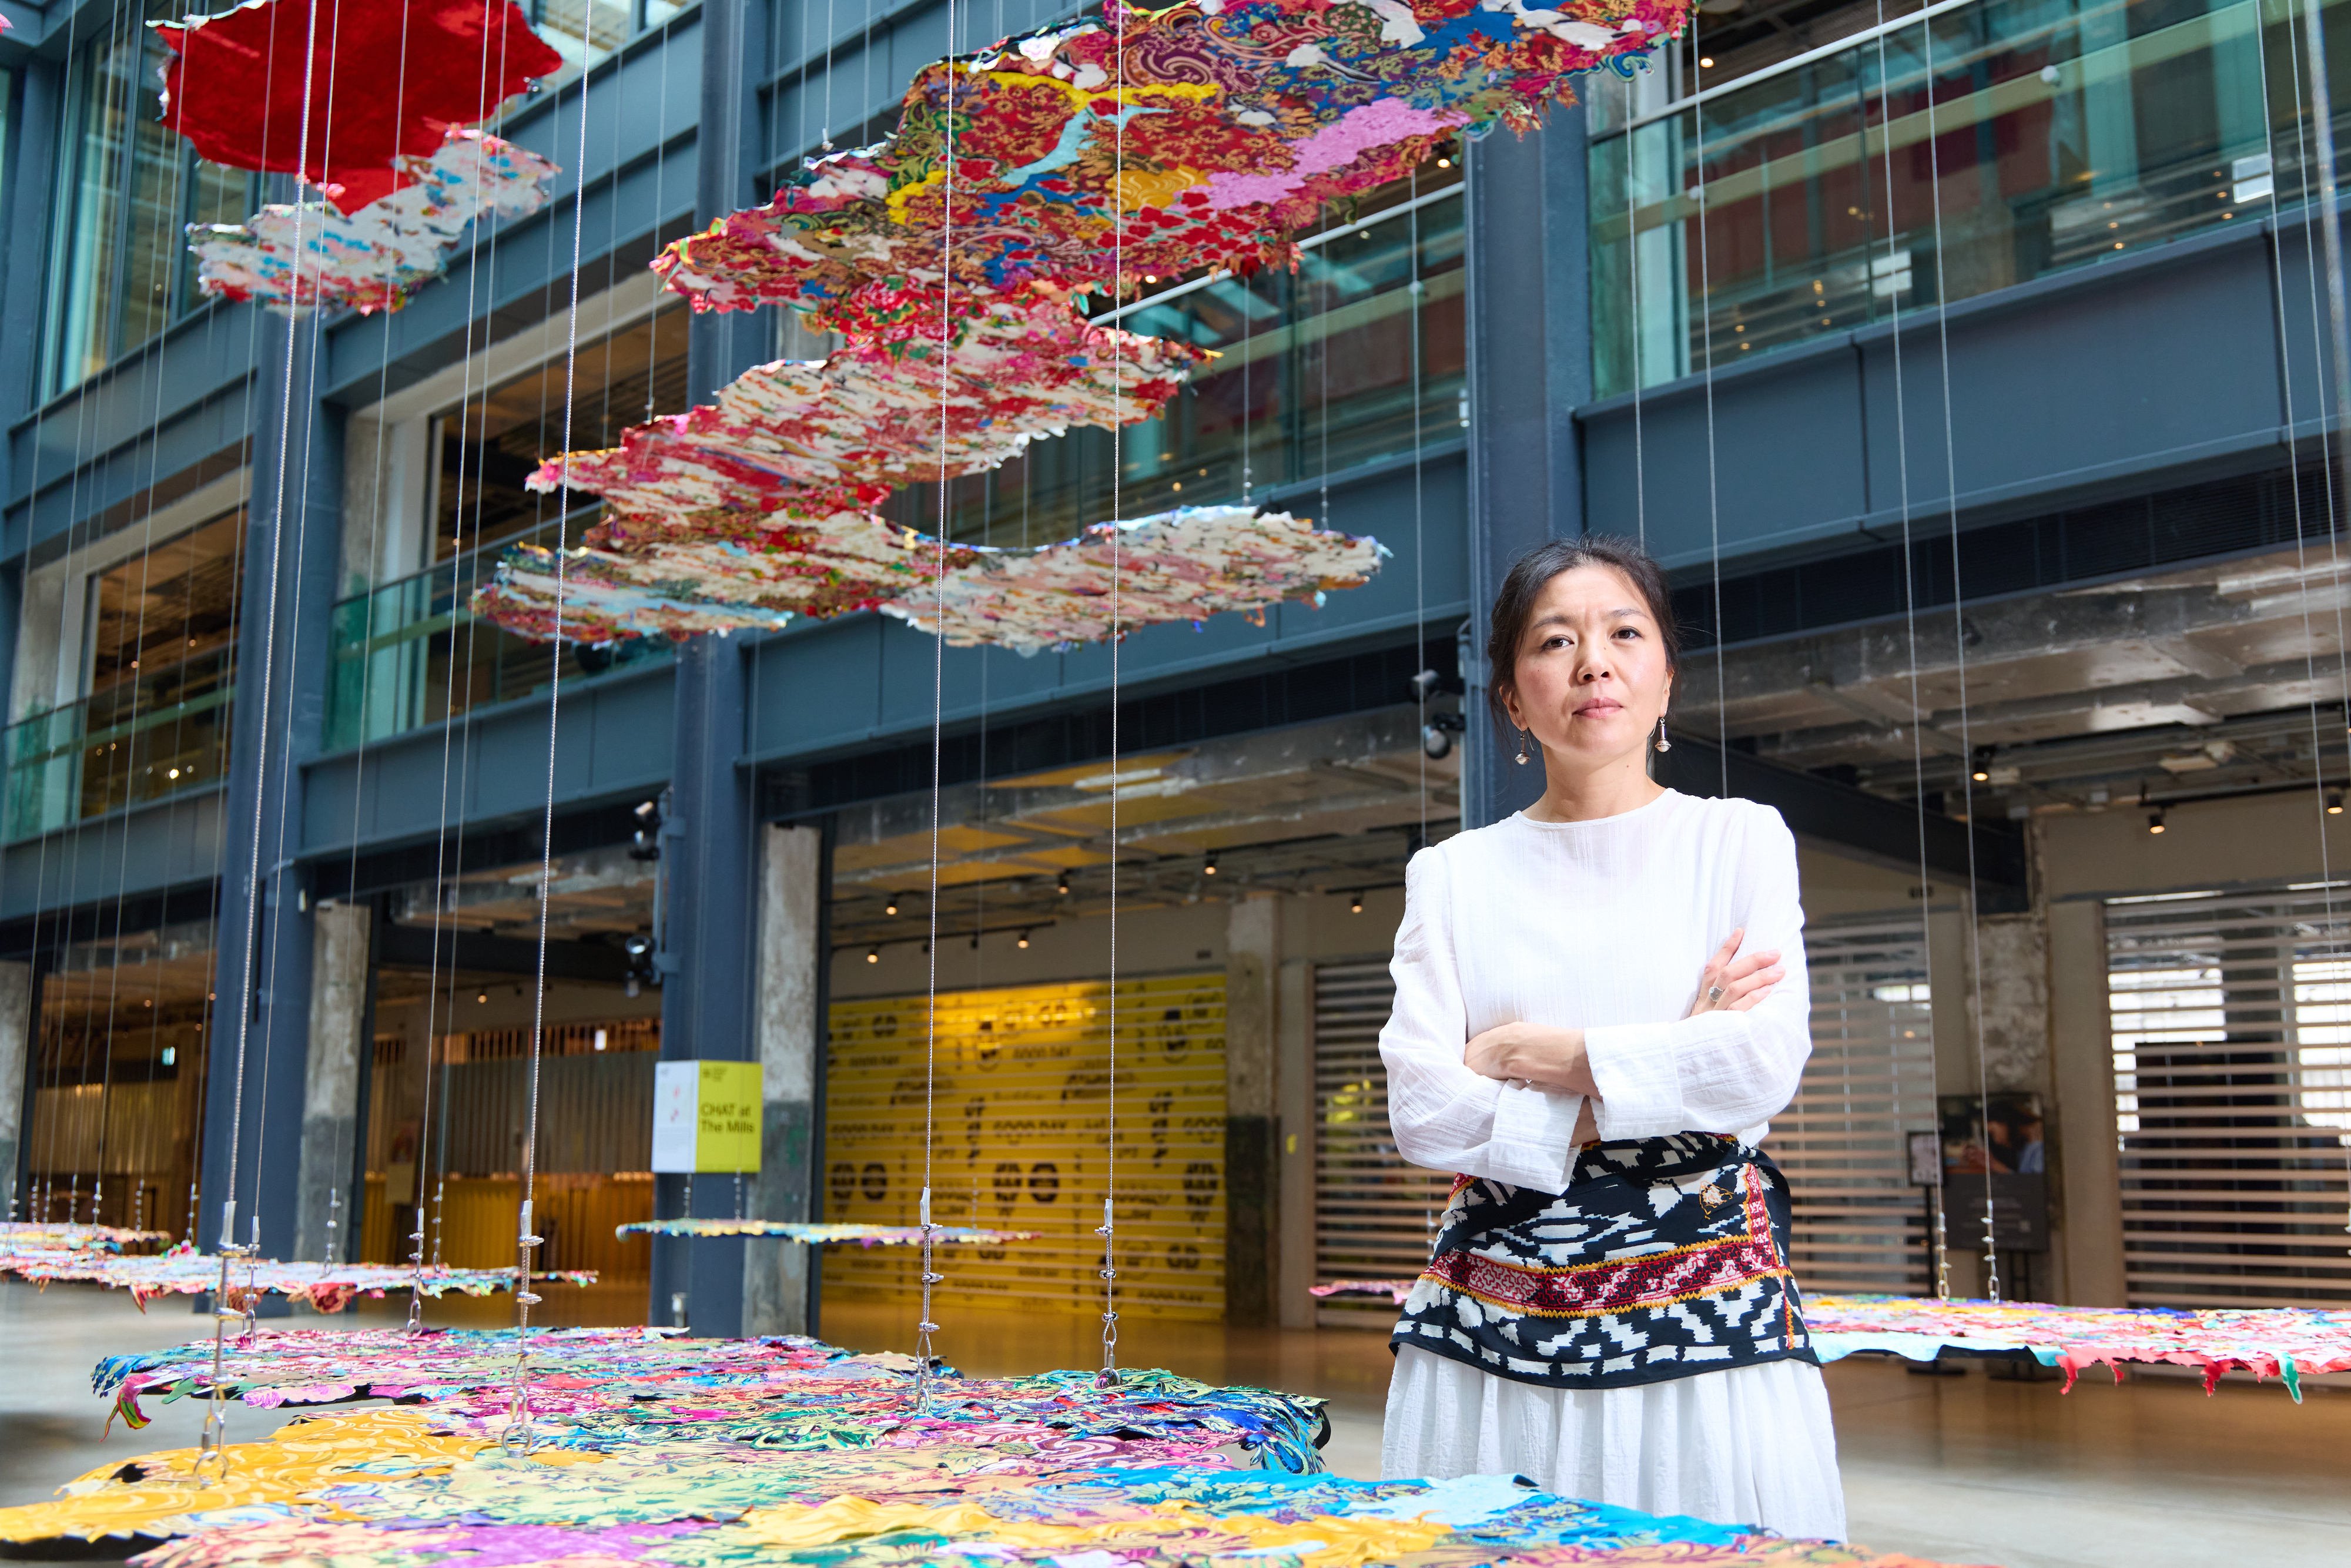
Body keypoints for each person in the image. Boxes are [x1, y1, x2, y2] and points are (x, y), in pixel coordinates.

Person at [1377, 537, 1845, 1538]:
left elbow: (1759, 1065)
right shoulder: (1453, 874)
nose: (1595, 662)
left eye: (1624, 633)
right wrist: (1657, 1068)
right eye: (1556, 641)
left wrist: (1525, 1058)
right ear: (1512, 697)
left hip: (1707, 1335)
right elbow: (1421, 1111)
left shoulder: (1738, 838)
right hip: (1486, 1337)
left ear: (1664, 676)